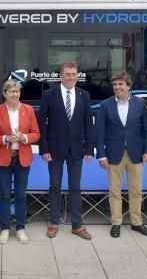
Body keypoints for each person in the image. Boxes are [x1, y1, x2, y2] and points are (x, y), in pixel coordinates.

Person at [38, 61, 95, 240]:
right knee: (55, 186)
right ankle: (54, 223)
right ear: (60, 76)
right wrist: (44, 148)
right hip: (54, 149)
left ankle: (77, 225)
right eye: (68, 74)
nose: (71, 77)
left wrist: (89, 148)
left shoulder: (84, 95)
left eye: (74, 74)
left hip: (77, 149)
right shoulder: (49, 94)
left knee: (75, 187)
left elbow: (88, 123)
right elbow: (41, 124)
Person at [96, 71, 147, 238]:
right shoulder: (105, 105)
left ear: (129, 86)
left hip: (136, 154)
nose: (117, 87)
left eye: (120, 84)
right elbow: (99, 132)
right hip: (114, 154)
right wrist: (101, 155)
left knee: (136, 190)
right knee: (114, 191)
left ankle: (136, 223)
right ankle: (116, 223)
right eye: (114, 84)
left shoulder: (139, 104)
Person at [0, 79, 40, 244]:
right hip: (3, 158)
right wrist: (5, 138)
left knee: (21, 195)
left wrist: (23, 137)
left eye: (17, 91)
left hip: (22, 157)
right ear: (4, 94)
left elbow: (36, 133)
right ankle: (5, 228)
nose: (15, 94)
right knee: (5, 194)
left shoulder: (28, 110)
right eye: (11, 91)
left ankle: (21, 228)